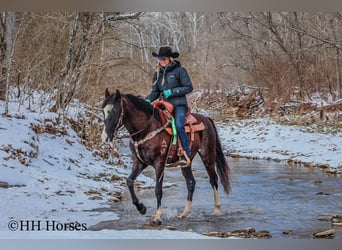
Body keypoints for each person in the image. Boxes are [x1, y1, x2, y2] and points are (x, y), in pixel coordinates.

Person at [145, 46, 193, 166]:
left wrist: (172, 92)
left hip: (178, 105)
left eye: (164, 58)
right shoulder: (157, 74)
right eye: (160, 59)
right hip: (163, 105)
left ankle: (185, 153)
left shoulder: (180, 71)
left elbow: (189, 87)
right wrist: (147, 99)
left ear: (170, 58)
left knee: (179, 125)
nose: (162, 61)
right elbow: (155, 91)